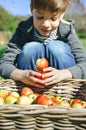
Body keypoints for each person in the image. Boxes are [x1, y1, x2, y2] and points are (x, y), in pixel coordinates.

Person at [0, 0, 86, 88]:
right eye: (40, 17)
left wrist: (64, 74)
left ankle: (64, 88)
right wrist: (22, 75)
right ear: (31, 9)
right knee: (31, 48)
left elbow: (84, 63)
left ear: (62, 13)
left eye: (53, 18)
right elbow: (4, 64)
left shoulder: (68, 31)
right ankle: (30, 89)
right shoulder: (23, 31)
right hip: (29, 91)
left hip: (63, 90)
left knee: (56, 47)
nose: (46, 24)